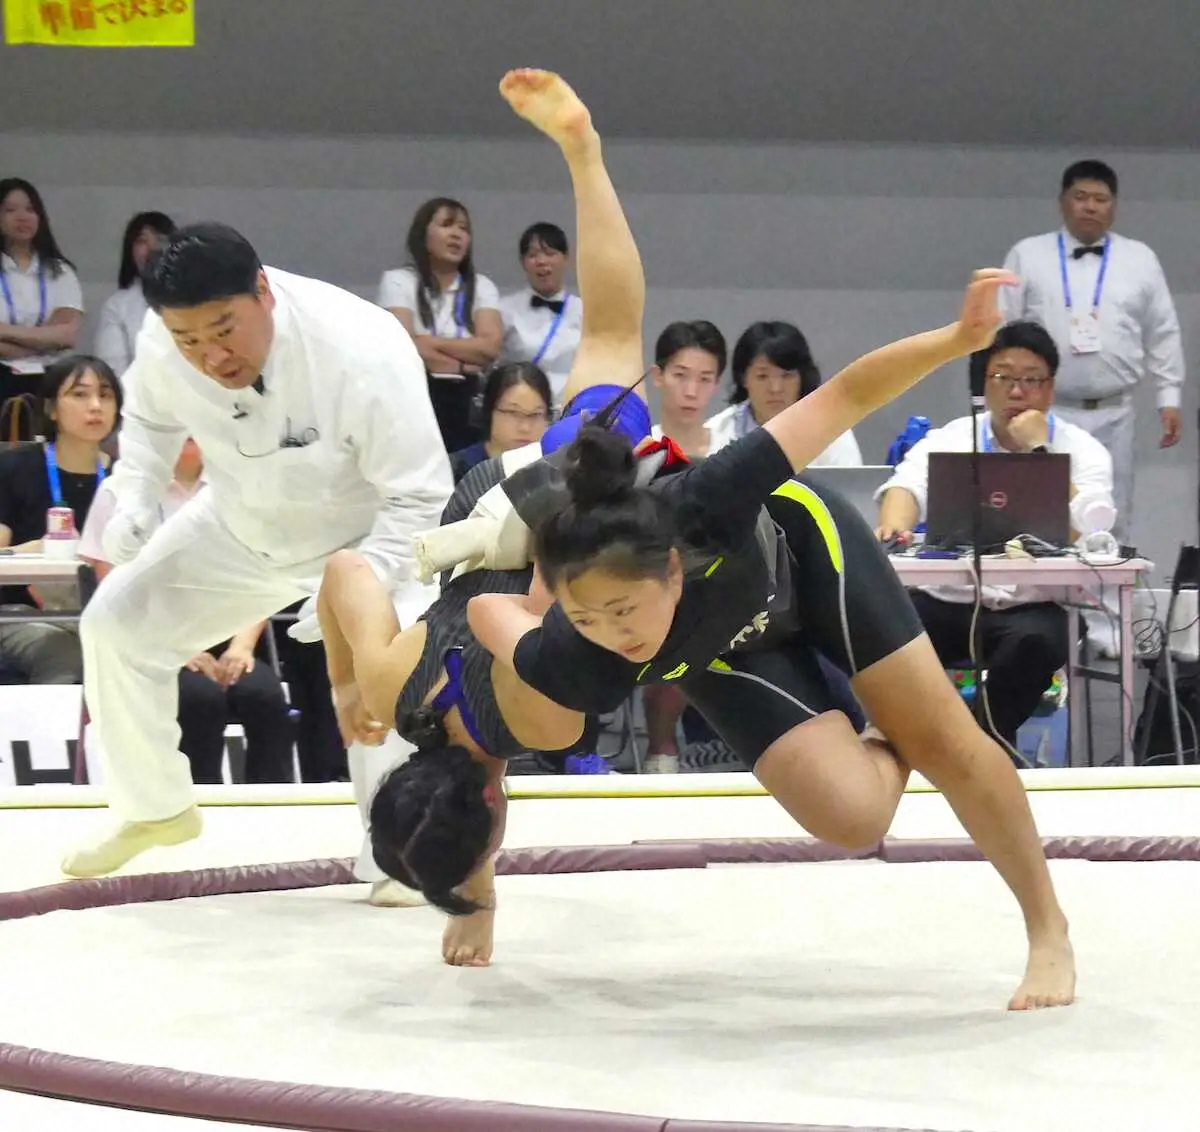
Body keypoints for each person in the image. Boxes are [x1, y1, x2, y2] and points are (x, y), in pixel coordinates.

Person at [416, 72, 1076, 1012]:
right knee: (854, 822)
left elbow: (840, 393)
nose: (613, 632)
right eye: (589, 617)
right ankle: (882, 725)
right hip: (726, 648)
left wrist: (957, 338)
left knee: (953, 742)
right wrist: (471, 894)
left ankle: (1048, 929)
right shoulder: (577, 650)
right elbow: (485, 657)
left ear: (669, 567)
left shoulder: (705, 496)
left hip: (808, 561)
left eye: (622, 609)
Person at [61, 221, 453, 879]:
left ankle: (400, 849)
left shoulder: (362, 348)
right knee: (112, 625)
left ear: (264, 292)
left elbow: (419, 504)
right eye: (190, 340)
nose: (211, 355)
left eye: (224, 330)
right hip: (241, 523)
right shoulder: (166, 337)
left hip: (370, 541)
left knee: (388, 682)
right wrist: (133, 495)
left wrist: (353, 589)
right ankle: (154, 807)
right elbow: (152, 422)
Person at [876, 320, 1115, 752]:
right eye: (1003, 377)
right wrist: (896, 522)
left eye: (1030, 380)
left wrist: (1040, 453)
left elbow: (1092, 525)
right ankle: (905, 748)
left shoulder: (1083, 449)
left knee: (1040, 642)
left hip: (1032, 606)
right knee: (888, 634)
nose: (1016, 391)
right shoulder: (952, 437)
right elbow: (906, 485)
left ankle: (978, 749)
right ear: (985, 383)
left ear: (1050, 388)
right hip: (948, 601)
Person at [1000, 160, 1185, 546]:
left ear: (1113, 206)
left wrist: (1169, 396)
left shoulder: (1140, 259)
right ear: (1062, 203)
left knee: (1111, 513)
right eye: (1080, 197)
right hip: (1041, 411)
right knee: (1036, 506)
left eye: (1101, 199)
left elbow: (1162, 330)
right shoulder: (1028, 255)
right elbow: (1004, 330)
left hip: (1116, 412)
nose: (1090, 206)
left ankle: (1109, 606)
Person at [0, 355, 119, 682]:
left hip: (107, 612)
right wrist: (32, 550)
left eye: (106, 395)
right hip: (18, 614)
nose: (95, 406)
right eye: (79, 394)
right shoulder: (14, 468)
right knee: (62, 652)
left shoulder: (125, 477)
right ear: (52, 408)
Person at [378, 197, 504, 452]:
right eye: (447, 225)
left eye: (464, 229)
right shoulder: (398, 281)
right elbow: (400, 345)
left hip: (466, 403)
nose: (457, 234)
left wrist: (426, 342)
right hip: (414, 397)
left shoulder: (482, 287)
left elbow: (489, 348)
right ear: (423, 233)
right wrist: (460, 362)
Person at [705, 321, 863, 464]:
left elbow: (853, 491)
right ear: (743, 378)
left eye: (787, 376)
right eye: (762, 376)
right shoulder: (716, 432)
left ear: (802, 377)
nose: (775, 388)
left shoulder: (833, 432)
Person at [0, 178, 84, 409]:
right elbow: (55, 338)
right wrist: (45, 340)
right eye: (10, 210)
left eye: (30, 209)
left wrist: (5, 331)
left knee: (46, 442)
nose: (22, 217)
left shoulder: (60, 271)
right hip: (2, 378)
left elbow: (67, 335)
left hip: (50, 379)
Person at [497, 222, 583, 403]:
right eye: (533, 255)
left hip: (570, 411)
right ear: (523, 262)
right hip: (518, 407)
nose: (542, 261)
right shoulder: (504, 310)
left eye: (550, 253)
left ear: (566, 258)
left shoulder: (585, 312)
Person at [94, 211, 178, 376]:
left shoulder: (198, 300)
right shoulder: (118, 306)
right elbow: (114, 373)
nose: (153, 249)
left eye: (161, 240)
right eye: (142, 241)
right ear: (130, 251)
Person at [449, 362, 553, 483]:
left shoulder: (555, 473)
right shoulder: (454, 471)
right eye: (513, 412)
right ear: (489, 411)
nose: (525, 427)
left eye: (536, 414)